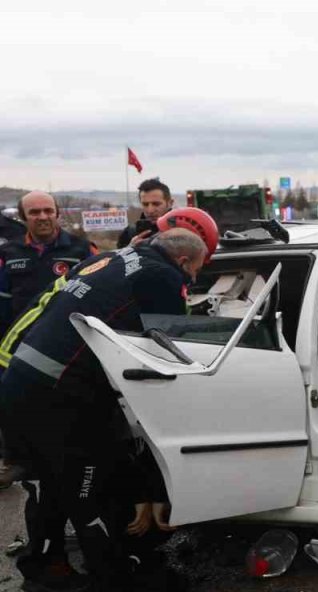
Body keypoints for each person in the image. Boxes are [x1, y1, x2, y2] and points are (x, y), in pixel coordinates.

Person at [0, 211, 216, 592]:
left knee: (49, 482)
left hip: (20, 380)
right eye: (195, 272)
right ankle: (112, 578)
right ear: (183, 261)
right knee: (88, 488)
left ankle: (46, 567)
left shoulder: (117, 256)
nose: (193, 280)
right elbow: (166, 346)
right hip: (61, 394)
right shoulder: (165, 276)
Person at [0, 191, 98, 335]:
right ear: (23, 216)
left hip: (69, 337)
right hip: (22, 337)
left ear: (56, 214)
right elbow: (2, 303)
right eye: (34, 212)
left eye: (48, 211)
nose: (43, 217)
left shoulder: (84, 250)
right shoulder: (6, 253)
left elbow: (98, 296)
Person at [116, 178, 173, 248]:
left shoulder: (182, 230)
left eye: (156, 204)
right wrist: (130, 249)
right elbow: (118, 254)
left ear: (170, 203)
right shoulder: (130, 232)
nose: (150, 210)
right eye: (145, 204)